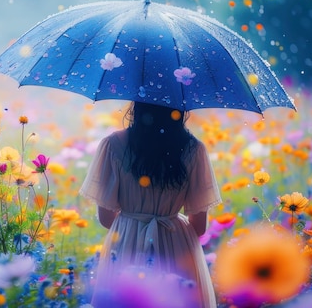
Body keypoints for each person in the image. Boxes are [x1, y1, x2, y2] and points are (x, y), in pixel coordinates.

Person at [79, 101, 221, 308]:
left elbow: (105, 218)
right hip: (176, 243)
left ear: (138, 103)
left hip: (127, 241)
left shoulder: (113, 145)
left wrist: (134, 222)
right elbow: (199, 227)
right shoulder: (194, 149)